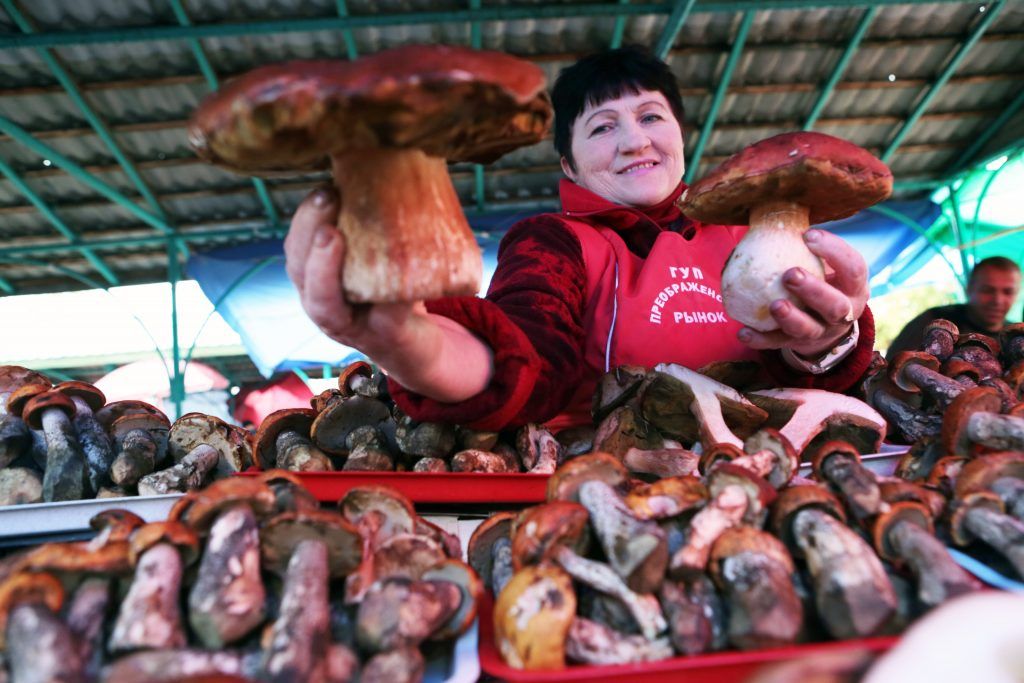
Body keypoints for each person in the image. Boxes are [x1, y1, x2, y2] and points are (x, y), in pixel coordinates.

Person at [284, 46, 875, 432]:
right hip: (608, 482)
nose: (634, 142)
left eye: (650, 117)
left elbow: (822, 386)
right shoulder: (553, 243)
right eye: (602, 127)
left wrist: (827, 341)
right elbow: (529, 356)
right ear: (568, 165)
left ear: (680, 135)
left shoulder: (745, 233)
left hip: (771, 473)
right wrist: (415, 347)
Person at [886, 256, 1021, 360]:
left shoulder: (1017, 337)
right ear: (969, 289)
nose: (997, 300)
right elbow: (892, 366)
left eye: (1008, 292)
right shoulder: (933, 321)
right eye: (987, 290)